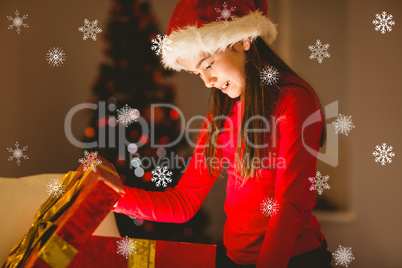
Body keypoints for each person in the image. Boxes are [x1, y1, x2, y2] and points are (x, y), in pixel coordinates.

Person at [112, 0, 333, 267]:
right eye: (197, 74)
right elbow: (184, 202)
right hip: (234, 260)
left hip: (294, 259)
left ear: (243, 40)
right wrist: (108, 196)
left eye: (208, 65)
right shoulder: (219, 117)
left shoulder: (294, 100)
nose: (208, 81)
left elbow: (289, 203)